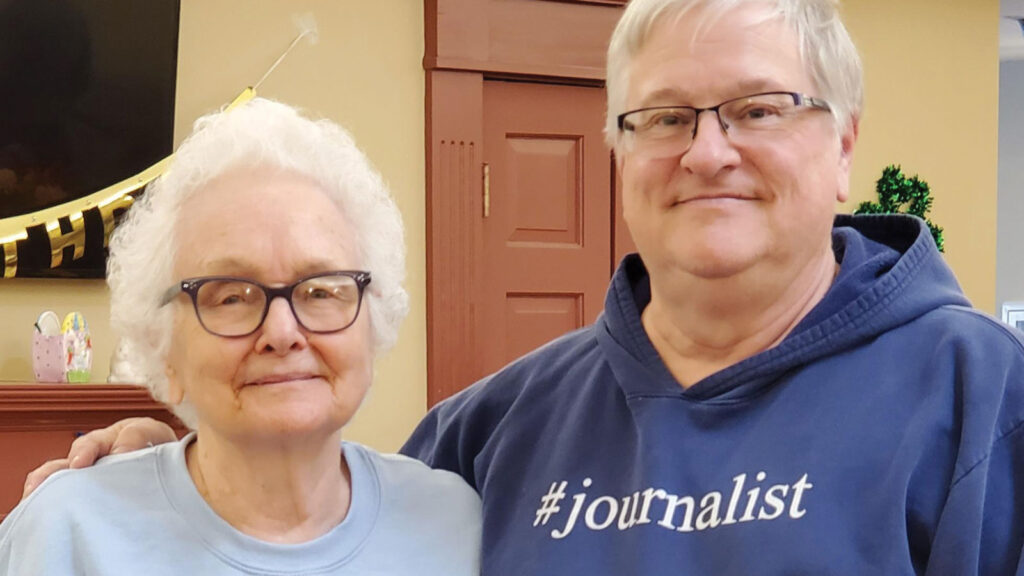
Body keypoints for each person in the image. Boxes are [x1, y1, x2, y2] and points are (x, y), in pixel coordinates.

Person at [22, 0, 1024, 574]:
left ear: (842, 144)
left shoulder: (982, 399)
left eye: (758, 108)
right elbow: (323, 525)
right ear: (617, 152)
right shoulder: (494, 432)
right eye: (665, 117)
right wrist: (177, 473)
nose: (707, 151)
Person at [2, 98, 481, 574]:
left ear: (371, 321)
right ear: (164, 351)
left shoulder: (457, 523)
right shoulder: (64, 532)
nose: (282, 331)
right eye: (230, 297)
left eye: (319, 291)